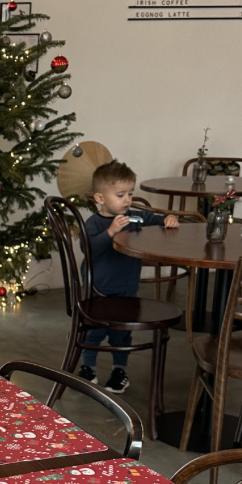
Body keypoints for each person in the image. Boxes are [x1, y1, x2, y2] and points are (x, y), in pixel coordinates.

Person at [78, 160, 179, 392]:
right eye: (120, 195)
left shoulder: (135, 218)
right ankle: (87, 368)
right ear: (100, 198)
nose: (127, 200)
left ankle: (119, 371)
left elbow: (155, 218)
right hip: (97, 289)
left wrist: (168, 217)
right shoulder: (94, 223)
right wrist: (111, 231)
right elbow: (88, 248)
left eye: (130, 194)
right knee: (93, 331)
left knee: (121, 334)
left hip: (126, 289)